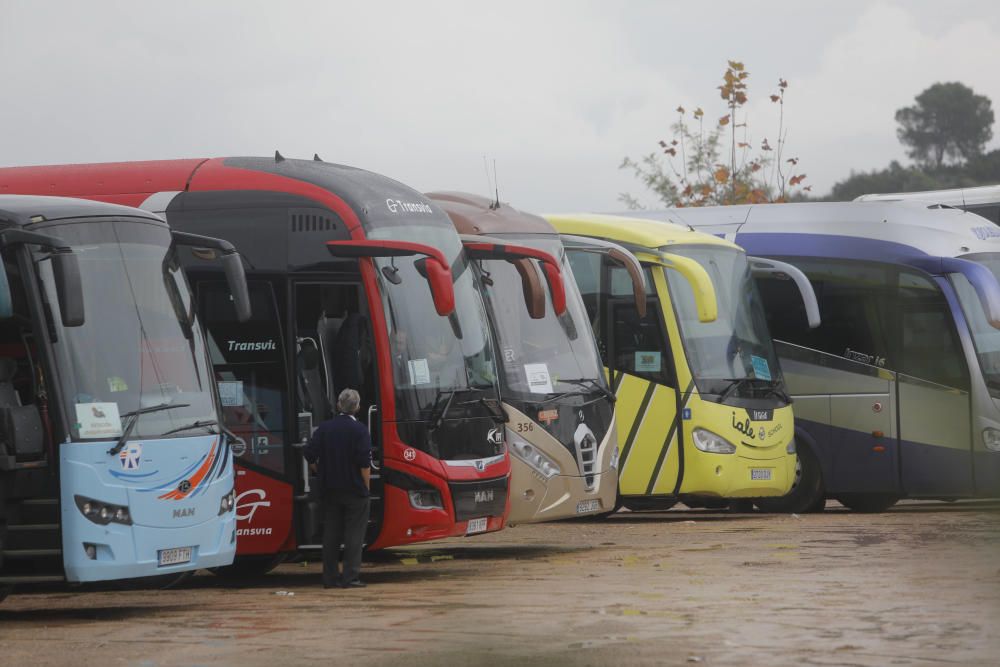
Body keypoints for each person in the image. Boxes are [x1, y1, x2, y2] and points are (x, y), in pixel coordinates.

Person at [303, 388, 372, 589]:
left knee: (331, 535)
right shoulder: (360, 430)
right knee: (354, 535)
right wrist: (365, 487)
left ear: (339, 405)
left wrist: (320, 471)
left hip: (329, 489)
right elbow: (364, 464)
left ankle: (330, 578)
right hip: (354, 490)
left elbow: (309, 454)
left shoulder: (325, 428)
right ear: (358, 407)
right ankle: (350, 578)